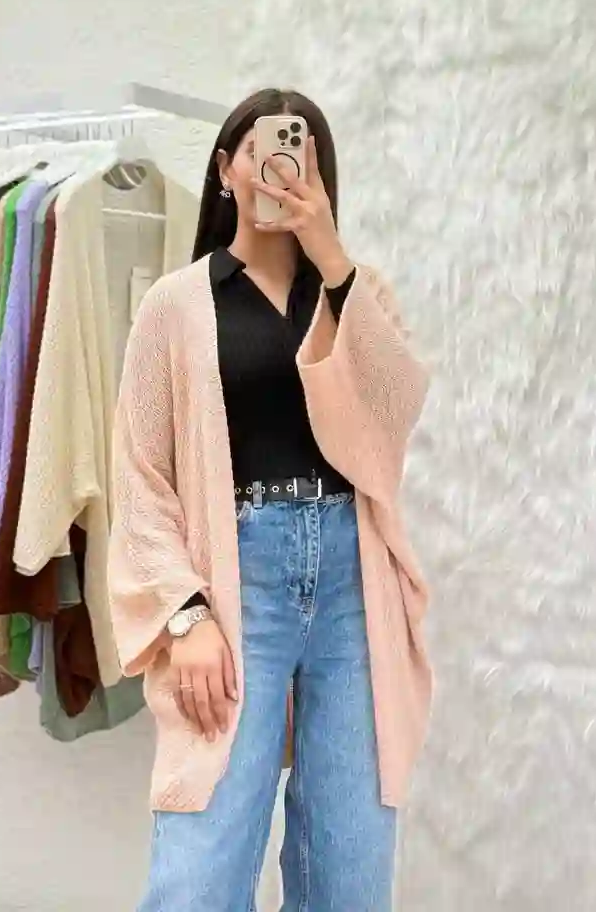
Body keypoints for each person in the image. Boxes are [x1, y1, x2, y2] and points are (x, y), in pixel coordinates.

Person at [108, 88, 433, 912]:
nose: (279, 168)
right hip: (236, 577)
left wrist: (332, 259)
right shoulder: (177, 304)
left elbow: (395, 413)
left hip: (354, 582)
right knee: (204, 857)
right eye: (262, 150)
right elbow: (140, 478)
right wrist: (184, 614)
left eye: (299, 151)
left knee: (350, 855)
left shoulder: (356, 292)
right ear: (227, 169)